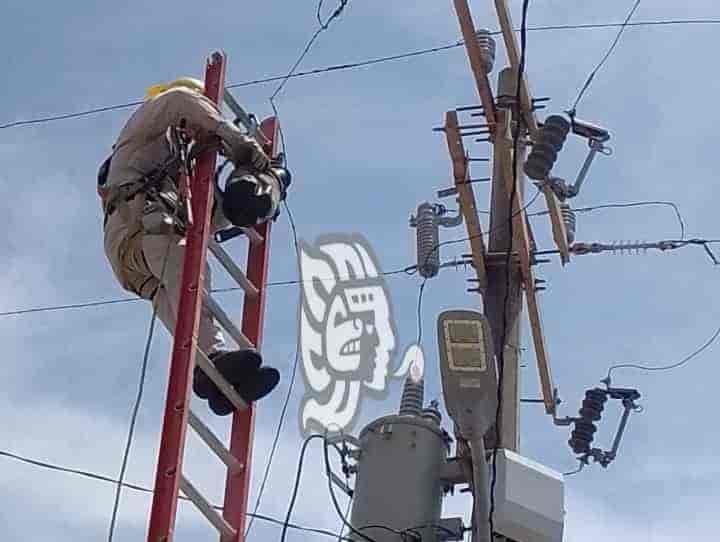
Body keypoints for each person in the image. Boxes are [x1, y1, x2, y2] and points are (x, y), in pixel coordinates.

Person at [98, 77, 288, 415]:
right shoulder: (151, 122)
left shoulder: (175, 171)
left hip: (141, 253)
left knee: (180, 300)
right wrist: (236, 140)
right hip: (138, 236)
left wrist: (258, 191)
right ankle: (211, 361)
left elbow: (212, 216)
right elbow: (182, 102)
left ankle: (210, 372)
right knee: (186, 258)